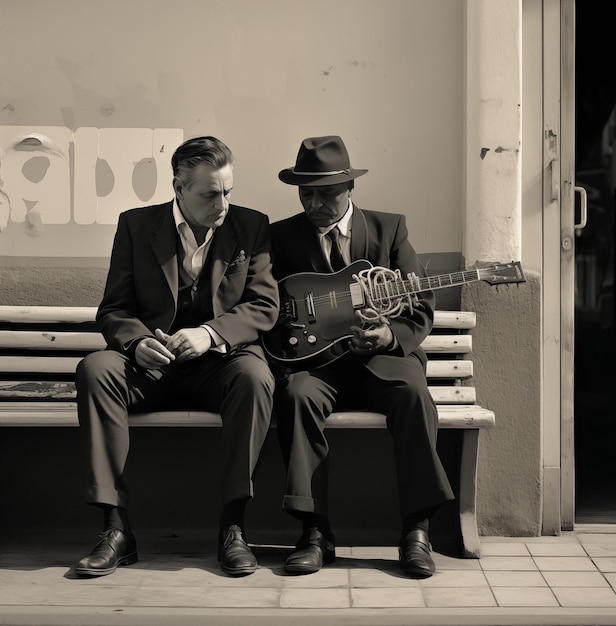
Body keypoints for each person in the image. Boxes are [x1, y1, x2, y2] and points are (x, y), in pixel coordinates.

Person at [73, 136, 279, 578]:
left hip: (220, 366)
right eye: (210, 194)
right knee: (96, 368)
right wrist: (135, 343)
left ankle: (234, 528)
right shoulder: (135, 225)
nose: (222, 203)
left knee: (255, 377)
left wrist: (210, 334)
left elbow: (264, 306)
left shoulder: (252, 226)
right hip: (151, 370)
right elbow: (113, 310)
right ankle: (114, 530)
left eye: (228, 191)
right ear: (179, 188)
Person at [269, 135, 454, 578]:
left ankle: (416, 532)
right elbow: (263, 305)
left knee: (412, 392)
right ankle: (314, 533)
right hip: (316, 366)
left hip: (382, 361)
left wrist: (390, 335)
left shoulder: (389, 229)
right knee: (296, 394)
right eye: (305, 193)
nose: (315, 204)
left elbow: (421, 304)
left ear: (350, 189)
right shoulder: (279, 236)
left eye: (326, 193)